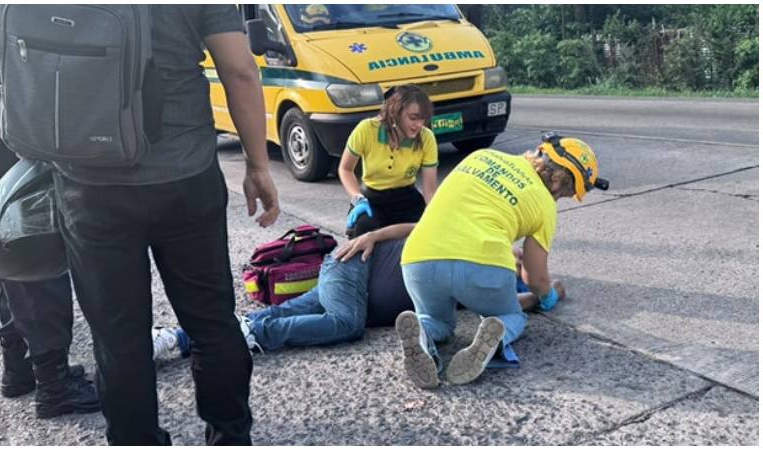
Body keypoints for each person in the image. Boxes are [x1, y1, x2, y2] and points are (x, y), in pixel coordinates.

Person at [0, 5, 280, 445]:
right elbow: (240, 70)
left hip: (88, 185)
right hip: (185, 176)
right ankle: (230, 435)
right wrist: (258, 165)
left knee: (118, 338)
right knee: (212, 322)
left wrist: (44, 132)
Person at [151, 225, 566, 358]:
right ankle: (253, 338)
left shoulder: (478, 285)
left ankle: (177, 338)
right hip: (352, 271)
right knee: (344, 325)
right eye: (515, 261)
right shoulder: (462, 248)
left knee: (288, 313)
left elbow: (516, 304)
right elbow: (417, 226)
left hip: (353, 291)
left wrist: (548, 293)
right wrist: (371, 234)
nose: (514, 268)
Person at [0, 5, 98, 418]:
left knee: (13, 270)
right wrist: (27, 132)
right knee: (40, 271)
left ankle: (20, 368)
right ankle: (53, 385)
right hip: (12, 155)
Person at [398, 132, 607, 389]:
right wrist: (550, 296)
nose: (560, 198)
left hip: (419, 258)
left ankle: (421, 332)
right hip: (482, 267)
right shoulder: (544, 204)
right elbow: (535, 278)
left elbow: (464, 215)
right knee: (511, 316)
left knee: (437, 320)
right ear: (558, 183)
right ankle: (495, 335)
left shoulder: (481, 156)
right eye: (565, 192)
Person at [338, 84, 438, 238]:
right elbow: (345, 169)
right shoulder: (366, 129)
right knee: (363, 227)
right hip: (372, 198)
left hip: (406, 198)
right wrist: (357, 198)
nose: (419, 125)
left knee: (427, 231)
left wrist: (436, 214)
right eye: (413, 118)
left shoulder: (426, 137)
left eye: (422, 119)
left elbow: (429, 191)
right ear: (395, 113)